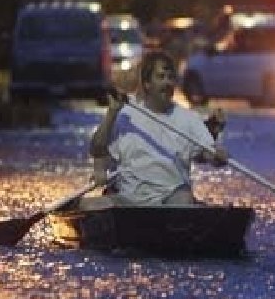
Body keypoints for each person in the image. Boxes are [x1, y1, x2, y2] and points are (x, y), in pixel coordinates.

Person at [89, 50, 228, 206]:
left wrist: (217, 157)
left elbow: (207, 153)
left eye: (170, 78)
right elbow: (97, 149)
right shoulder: (125, 115)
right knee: (89, 205)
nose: (168, 83)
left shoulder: (190, 119)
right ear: (147, 84)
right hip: (130, 201)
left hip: (172, 199)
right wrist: (111, 113)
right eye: (161, 77)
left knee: (183, 199)